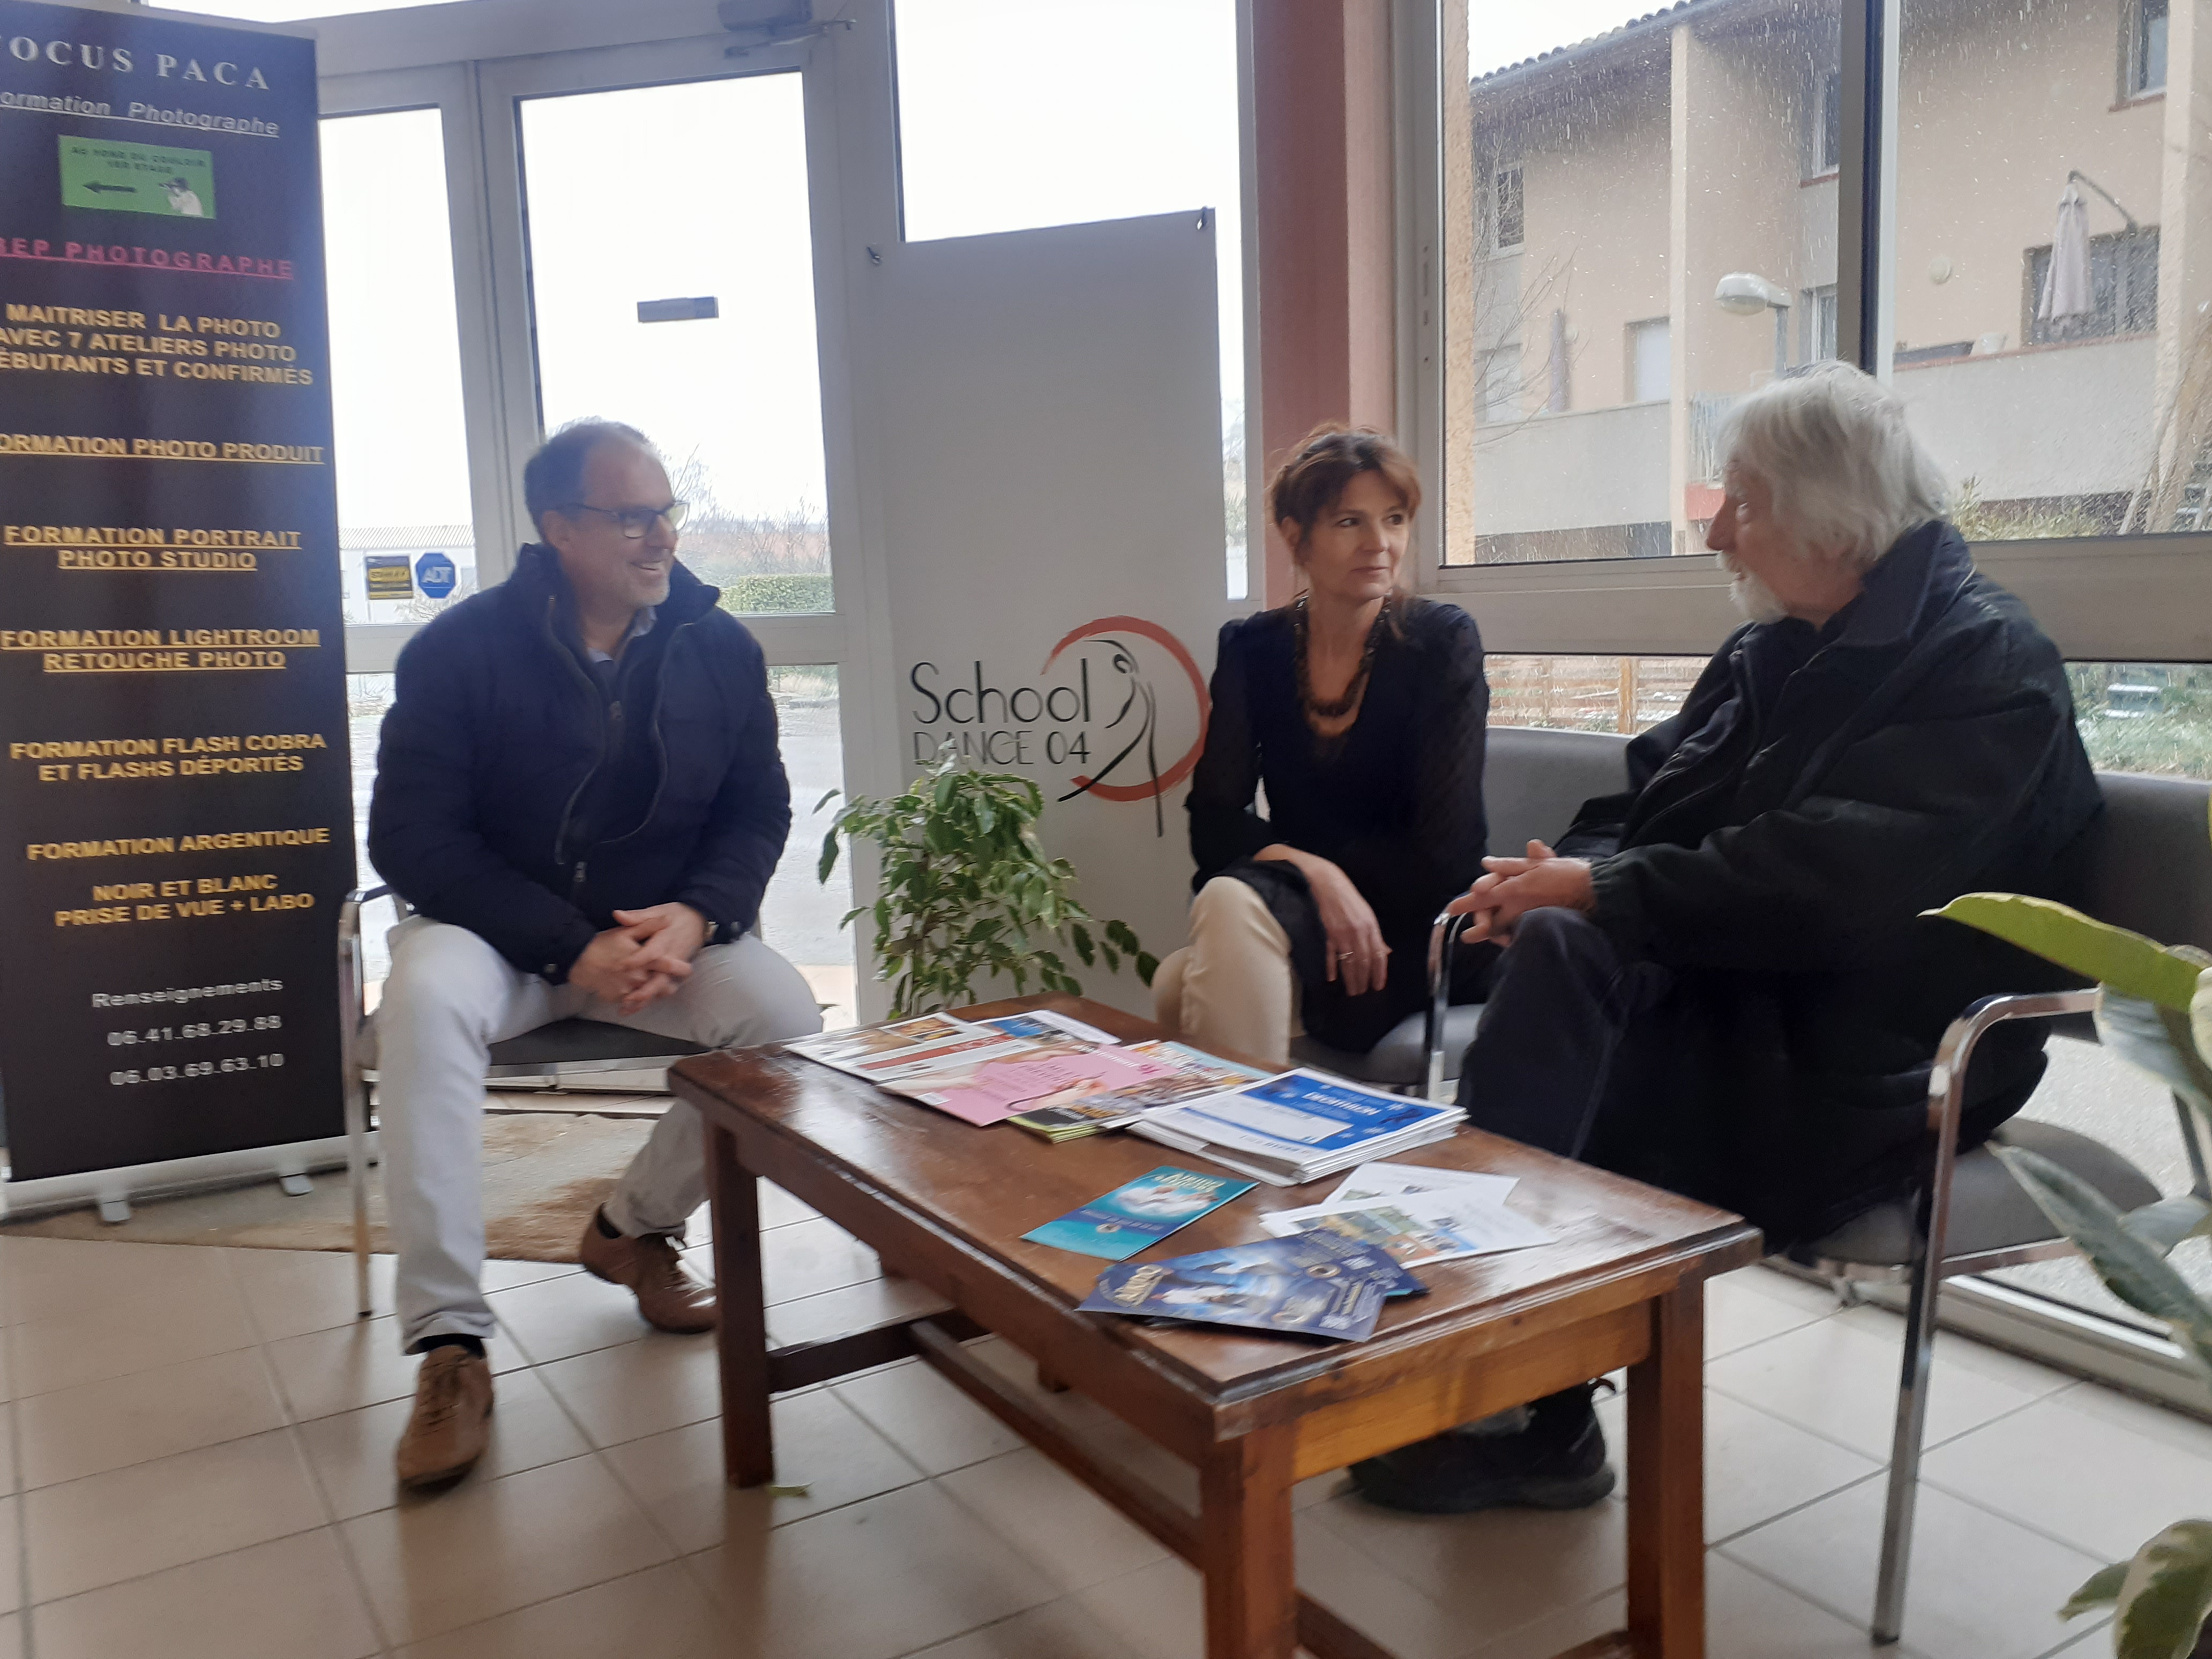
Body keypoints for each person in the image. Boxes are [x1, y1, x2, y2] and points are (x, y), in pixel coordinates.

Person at [1349, 361, 2103, 1516]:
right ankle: (1502, 1373)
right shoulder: (1775, 649)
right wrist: (1559, 880)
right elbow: (1641, 807)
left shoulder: (1988, 666)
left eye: (1740, 501)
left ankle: (1517, 1392)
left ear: (1831, 517)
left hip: (1890, 1039)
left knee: (1580, 1039)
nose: (1715, 532)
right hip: (1754, 987)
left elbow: (1842, 881)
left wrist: (1601, 893)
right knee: (1564, 959)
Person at [367, 420, 823, 1490]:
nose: (661, 536)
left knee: (784, 1023)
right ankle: (449, 1344)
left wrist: (698, 916)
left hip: (656, 937)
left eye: (666, 512)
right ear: (559, 528)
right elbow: (412, 839)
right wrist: (571, 945)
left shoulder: (719, 648)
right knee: (422, 1005)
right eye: (631, 517)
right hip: (496, 938)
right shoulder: (458, 651)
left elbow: (756, 810)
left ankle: (630, 1228)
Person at [1153, 424, 1490, 1067]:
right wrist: (1317, 874)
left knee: (1184, 972)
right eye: (1348, 522)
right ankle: (1258, 1124)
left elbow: (1447, 852)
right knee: (1194, 951)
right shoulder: (1254, 649)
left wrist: (1310, 873)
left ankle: (1241, 1128)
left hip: (1409, 931)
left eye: (1394, 519)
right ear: (1295, 536)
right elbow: (1213, 823)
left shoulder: (1440, 644)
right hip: (1306, 909)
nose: (1379, 543)